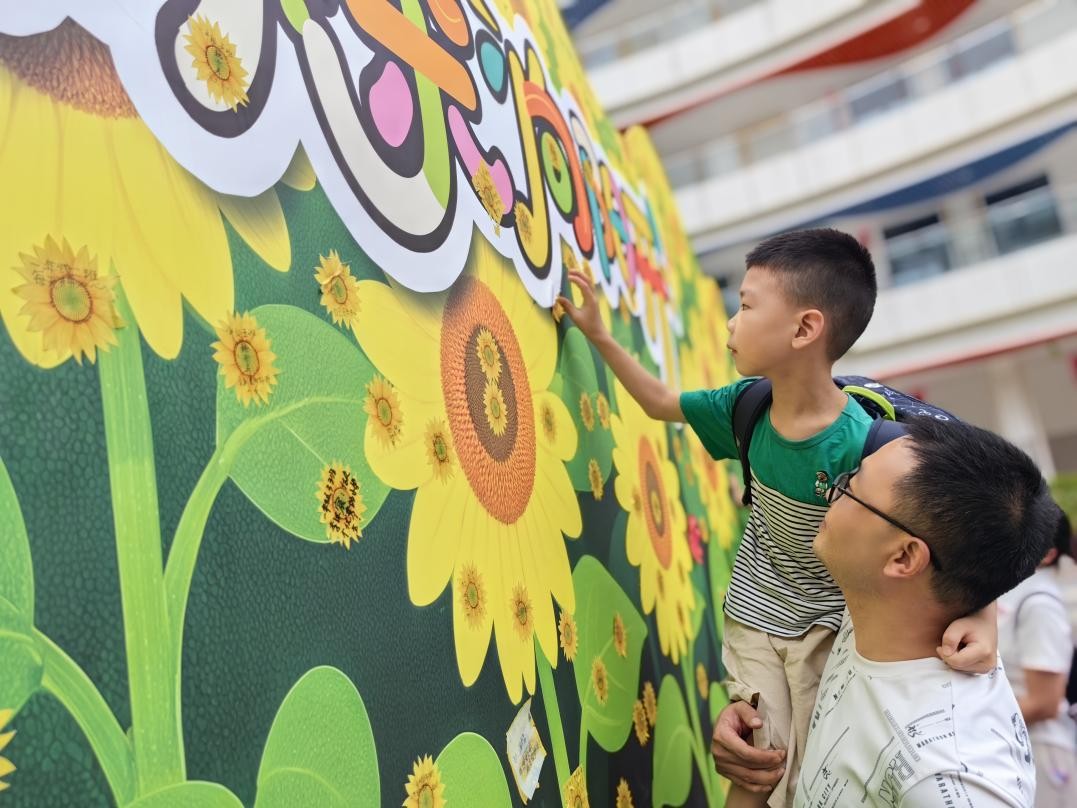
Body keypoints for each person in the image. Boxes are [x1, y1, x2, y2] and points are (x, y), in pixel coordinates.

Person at [557, 228, 996, 807]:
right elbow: (660, 402)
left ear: (805, 329)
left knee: (813, 774)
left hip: (830, 630)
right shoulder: (745, 408)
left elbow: (964, 529)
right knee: (758, 766)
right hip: (755, 616)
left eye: (744, 305)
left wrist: (985, 616)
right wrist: (599, 335)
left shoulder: (870, 449)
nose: (730, 323)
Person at [711, 417, 1059, 806]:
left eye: (850, 488)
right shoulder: (875, 610)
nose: (828, 494)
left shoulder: (948, 774)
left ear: (904, 557)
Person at [998, 509, 1077, 807]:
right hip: (1016, 746)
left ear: (1047, 554)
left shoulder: (1040, 603)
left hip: (1042, 753)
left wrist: (976, 717)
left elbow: (1044, 702)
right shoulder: (1013, 595)